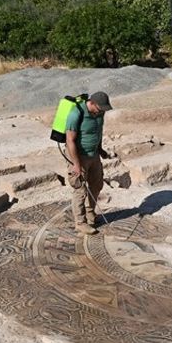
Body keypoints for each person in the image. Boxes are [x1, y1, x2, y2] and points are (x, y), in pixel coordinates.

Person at [66, 91, 112, 235]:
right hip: (78, 156)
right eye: (99, 108)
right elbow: (70, 140)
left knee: (97, 184)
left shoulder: (100, 112)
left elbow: (97, 132)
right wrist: (76, 164)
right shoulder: (76, 113)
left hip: (94, 154)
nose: (101, 111)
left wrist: (101, 150)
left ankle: (90, 213)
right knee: (80, 189)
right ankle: (80, 223)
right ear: (91, 103)